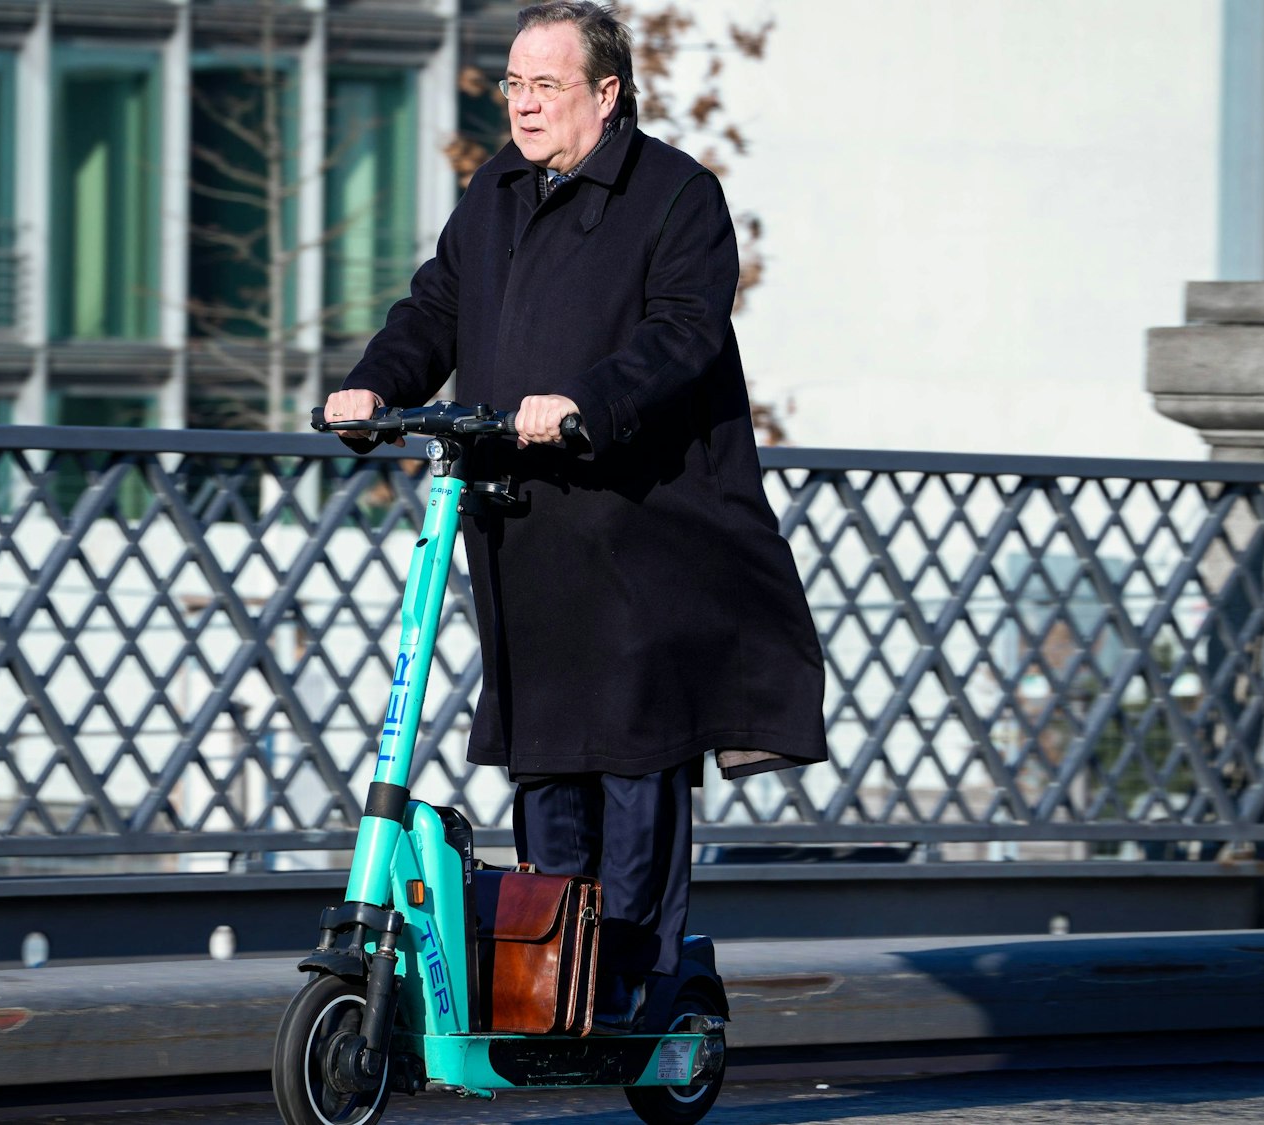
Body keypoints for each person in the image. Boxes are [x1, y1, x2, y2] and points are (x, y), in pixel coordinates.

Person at [320, 0, 826, 1032]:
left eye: (544, 85)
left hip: (645, 527)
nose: (523, 103)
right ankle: (547, 982)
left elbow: (683, 334)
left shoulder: (675, 195)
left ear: (606, 93)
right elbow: (434, 311)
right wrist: (373, 386)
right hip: (522, 524)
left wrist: (588, 401)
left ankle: (634, 986)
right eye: (512, 83)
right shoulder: (495, 191)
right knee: (545, 757)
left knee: (636, 760)